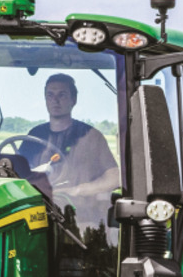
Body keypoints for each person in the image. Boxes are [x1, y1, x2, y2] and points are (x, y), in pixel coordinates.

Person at [24, 73, 119, 223]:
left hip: (81, 219)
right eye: (50, 95)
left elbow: (114, 178)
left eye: (62, 95)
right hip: (38, 214)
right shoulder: (34, 136)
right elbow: (19, 173)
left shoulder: (90, 136)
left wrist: (78, 190)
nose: (55, 100)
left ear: (73, 100)